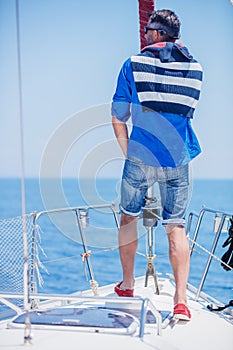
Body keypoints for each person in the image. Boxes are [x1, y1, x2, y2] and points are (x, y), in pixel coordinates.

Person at [111, 9, 203, 321]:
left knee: (129, 218)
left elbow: (118, 116)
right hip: (177, 156)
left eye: (149, 29)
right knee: (175, 226)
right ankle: (180, 300)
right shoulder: (196, 68)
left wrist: (129, 152)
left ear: (159, 33)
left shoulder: (133, 64)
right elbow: (184, 112)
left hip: (141, 152)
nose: (145, 34)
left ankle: (127, 284)